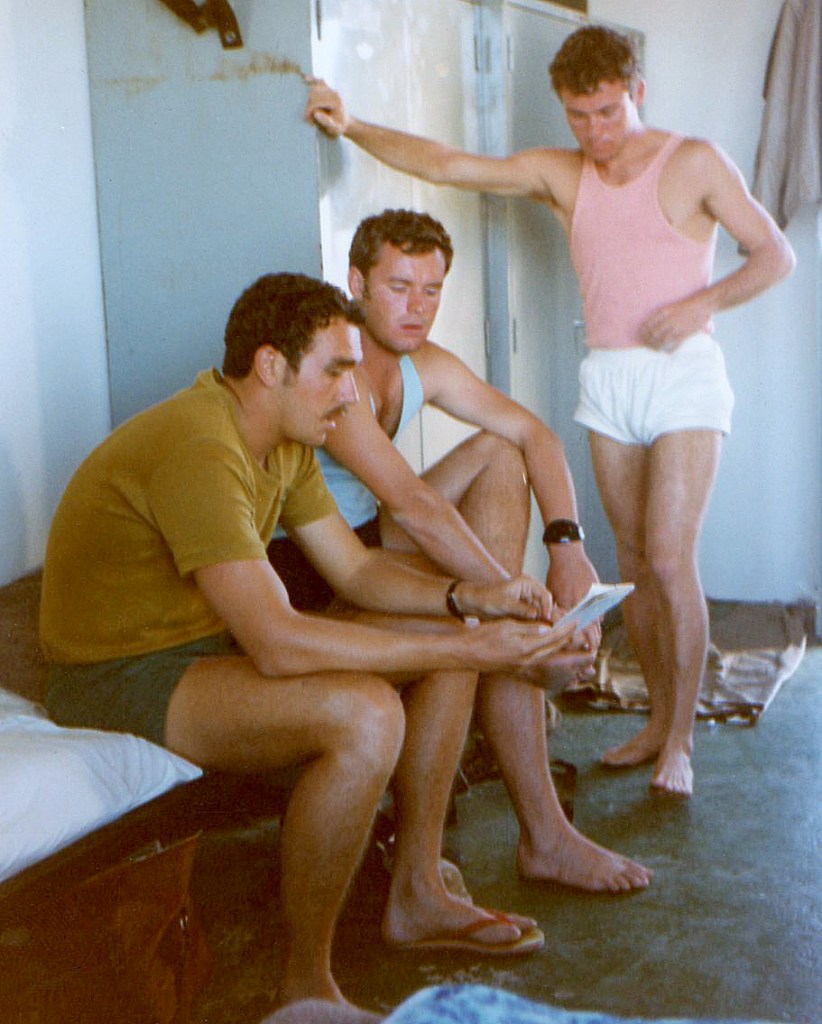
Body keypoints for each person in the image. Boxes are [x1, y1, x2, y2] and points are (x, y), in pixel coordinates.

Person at [39, 273, 580, 1011]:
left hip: (205, 649)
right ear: (271, 366)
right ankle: (306, 987)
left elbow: (355, 571)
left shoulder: (285, 442)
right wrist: (471, 652)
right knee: (367, 716)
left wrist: (471, 600)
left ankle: (418, 889)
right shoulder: (201, 442)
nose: (351, 394)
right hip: (117, 675)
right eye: (335, 370)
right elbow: (278, 644)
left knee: (454, 630)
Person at [303, 25, 796, 797]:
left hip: (684, 373)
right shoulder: (563, 174)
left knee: (671, 559)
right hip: (610, 376)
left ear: (637, 93)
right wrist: (354, 124)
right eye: (578, 116)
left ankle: (679, 741)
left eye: (608, 112)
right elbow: (450, 164)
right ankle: (654, 718)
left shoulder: (694, 160)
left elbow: (774, 255)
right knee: (632, 560)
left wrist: (700, 304)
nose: (594, 133)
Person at [268, 209, 652, 893]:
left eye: (432, 290)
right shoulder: (336, 374)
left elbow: (537, 436)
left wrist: (566, 548)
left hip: (369, 539)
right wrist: (519, 604)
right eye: (399, 287)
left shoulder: (425, 365)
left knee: (502, 452)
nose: (417, 308)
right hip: (311, 567)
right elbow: (413, 504)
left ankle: (545, 836)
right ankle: (519, 836)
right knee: (474, 623)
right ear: (357, 283)